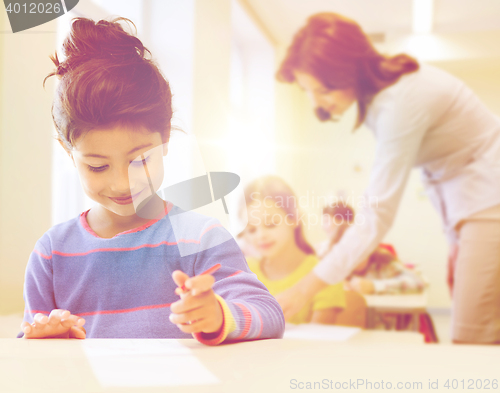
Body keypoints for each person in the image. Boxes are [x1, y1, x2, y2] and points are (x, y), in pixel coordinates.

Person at [18, 17, 285, 344]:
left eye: (140, 160)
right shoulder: (52, 254)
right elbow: (31, 346)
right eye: (98, 167)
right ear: (68, 151)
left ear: (166, 138)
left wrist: (219, 315)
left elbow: (267, 312)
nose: (122, 184)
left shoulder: (199, 239)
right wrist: (48, 340)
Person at [274, 13, 500, 344]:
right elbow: (443, 171)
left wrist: (304, 289)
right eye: (308, 91)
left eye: (321, 90)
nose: (315, 103)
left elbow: (376, 213)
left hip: (489, 197)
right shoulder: (381, 100)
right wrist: (455, 239)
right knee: (477, 328)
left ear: (348, 72)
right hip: (474, 203)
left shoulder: (400, 102)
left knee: (472, 337)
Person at [241, 176, 345, 325]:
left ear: (295, 218)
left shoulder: (325, 275)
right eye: (251, 229)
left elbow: (318, 343)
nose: (260, 235)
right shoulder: (243, 272)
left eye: (270, 224)